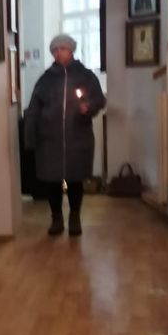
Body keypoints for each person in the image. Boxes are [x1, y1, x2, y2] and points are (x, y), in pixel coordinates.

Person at [23, 33, 106, 237]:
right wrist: (30, 138)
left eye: (62, 49)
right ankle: (56, 218)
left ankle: (75, 217)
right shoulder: (45, 79)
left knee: (75, 180)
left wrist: (89, 107)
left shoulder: (86, 76)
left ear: (71, 50)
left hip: (78, 138)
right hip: (49, 140)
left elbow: (99, 100)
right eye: (55, 50)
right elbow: (33, 109)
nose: (58, 53)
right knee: (52, 181)